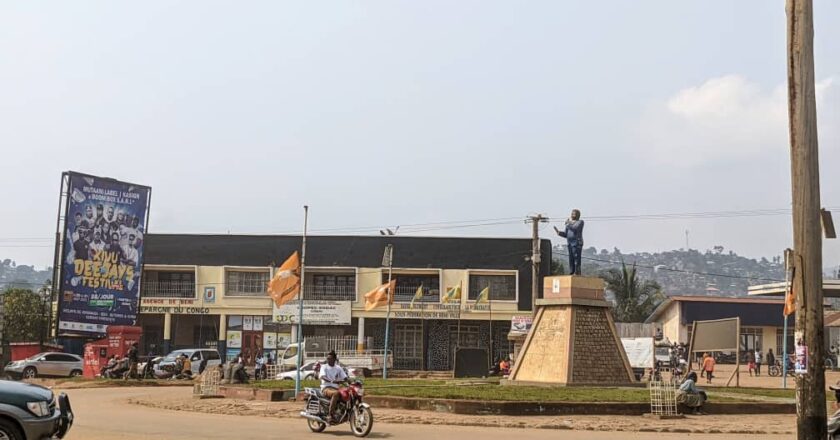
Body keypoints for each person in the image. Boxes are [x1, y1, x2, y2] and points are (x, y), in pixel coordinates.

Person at [319, 351, 348, 423]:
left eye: (330, 358)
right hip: (326, 388)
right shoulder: (324, 367)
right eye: (328, 358)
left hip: (335, 388)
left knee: (347, 393)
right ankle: (330, 415)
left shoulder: (338, 368)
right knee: (336, 393)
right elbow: (322, 376)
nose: (328, 360)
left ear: (335, 359)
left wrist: (352, 381)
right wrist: (332, 381)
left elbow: (345, 377)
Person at [554, 209, 584, 275]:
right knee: (571, 258)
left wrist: (568, 224)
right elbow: (566, 234)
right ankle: (571, 271)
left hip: (577, 242)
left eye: (574, 214)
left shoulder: (580, 222)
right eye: (572, 213)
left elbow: (575, 228)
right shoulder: (569, 224)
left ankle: (577, 272)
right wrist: (559, 233)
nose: (572, 215)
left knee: (576, 257)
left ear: (578, 215)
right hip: (570, 243)